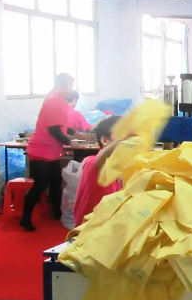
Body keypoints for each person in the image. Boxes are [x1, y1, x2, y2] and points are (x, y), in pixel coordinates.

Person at [21, 73, 81, 232]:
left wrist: (78, 134)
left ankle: (57, 213)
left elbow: (61, 126)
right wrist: (70, 142)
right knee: (40, 185)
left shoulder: (57, 100)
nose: (71, 90)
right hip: (41, 151)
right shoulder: (55, 101)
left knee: (56, 181)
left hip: (51, 152)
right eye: (70, 86)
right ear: (63, 86)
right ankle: (25, 218)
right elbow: (54, 129)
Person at [73, 116, 124, 227]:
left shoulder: (119, 168)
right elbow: (102, 159)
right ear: (105, 140)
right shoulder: (92, 163)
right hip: (88, 233)